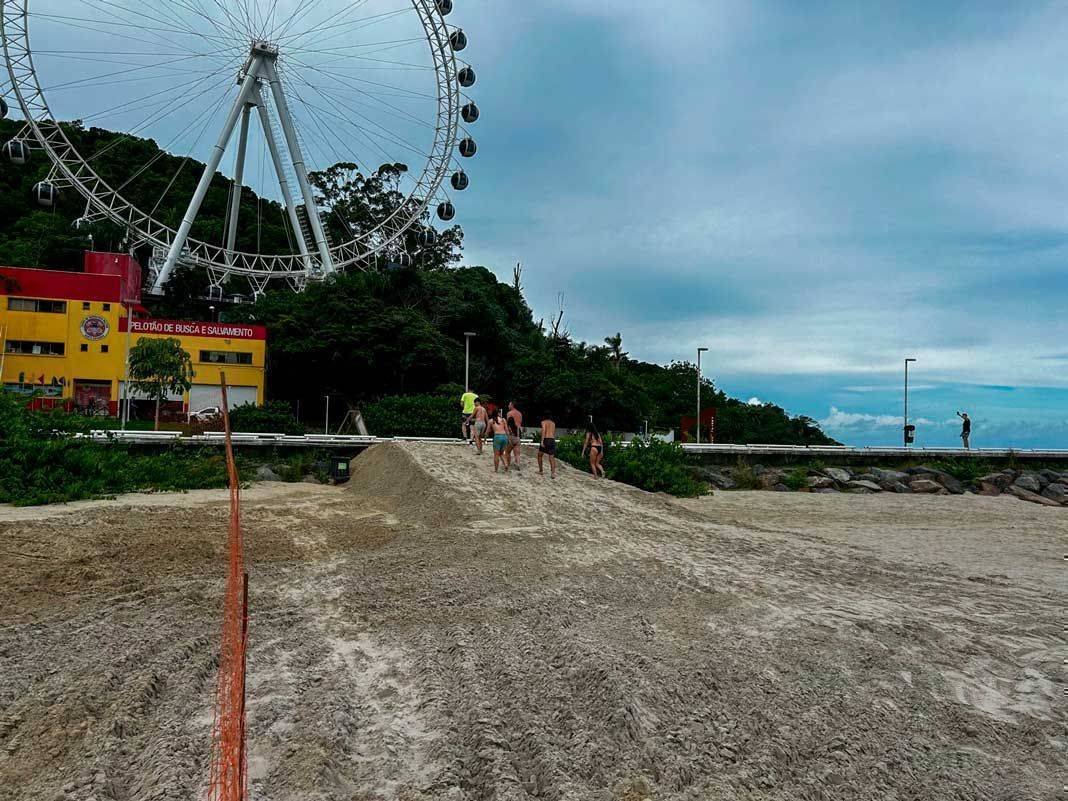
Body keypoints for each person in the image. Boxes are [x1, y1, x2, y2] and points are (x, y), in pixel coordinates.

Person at [537, 412, 558, 479]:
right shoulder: (553, 423)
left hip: (546, 439)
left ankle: (541, 471)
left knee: (540, 455)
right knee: (551, 457)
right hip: (552, 440)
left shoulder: (543, 422)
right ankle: (553, 473)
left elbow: (544, 430)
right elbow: (553, 433)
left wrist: (542, 441)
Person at [489, 408, 510, 473]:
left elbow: (487, 430)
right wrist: (508, 438)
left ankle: (496, 470)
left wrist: (485, 437)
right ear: (498, 413)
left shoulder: (491, 421)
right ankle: (506, 464)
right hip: (504, 436)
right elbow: (507, 430)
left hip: (497, 437)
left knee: (496, 455)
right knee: (502, 453)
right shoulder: (503, 420)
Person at [505, 400, 524, 472]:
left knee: (507, 452)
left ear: (512, 405)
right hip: (518, 433)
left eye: (509, 404)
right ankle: (518, 464)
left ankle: (508, 464)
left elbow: (508, 424)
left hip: (511, 433)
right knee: (517, 452)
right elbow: (520, 424)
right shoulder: (520, 414)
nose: (508, 406)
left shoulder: (509, 413)